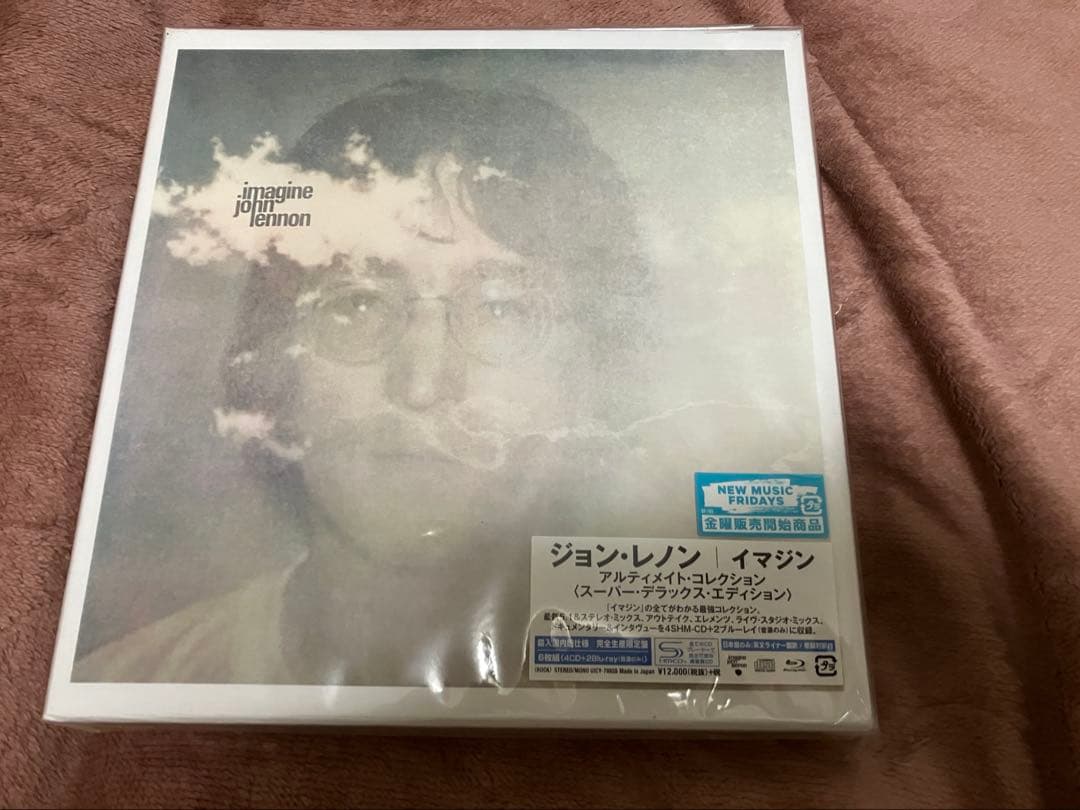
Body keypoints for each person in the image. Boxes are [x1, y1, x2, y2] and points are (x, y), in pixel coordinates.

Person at [74, 79, 665, 686]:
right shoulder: (131, 683)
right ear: (275, 363)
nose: (422, 386)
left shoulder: (668, 679)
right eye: (358, 303)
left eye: (501, 309)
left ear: (590, 371)